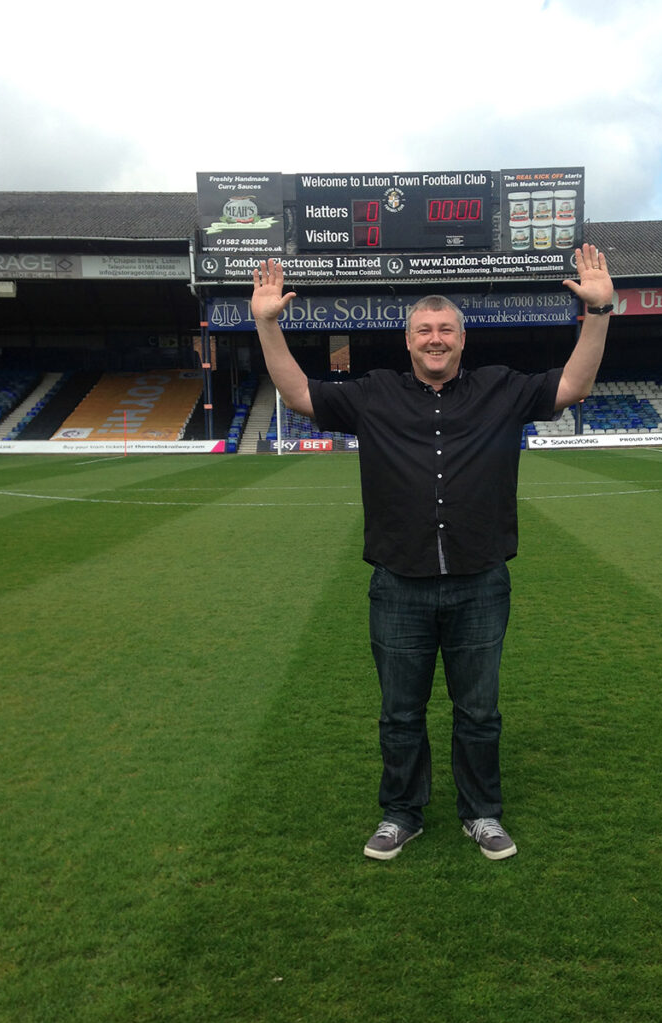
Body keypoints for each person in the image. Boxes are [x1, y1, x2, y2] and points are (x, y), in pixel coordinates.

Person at [251, 245, 613, 861]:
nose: (435, 339)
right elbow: (301, 394)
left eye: (446, 329)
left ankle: (481, 813)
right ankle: (402, 813)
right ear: (408, 342)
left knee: (478, 711)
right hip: (399, 582)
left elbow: (574, 384)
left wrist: (600, 310)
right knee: (399, 712)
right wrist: (267, 323)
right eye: (425, 330)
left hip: (480, 582)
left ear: (463, 340)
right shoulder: (374, 395)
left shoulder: (501, 390)